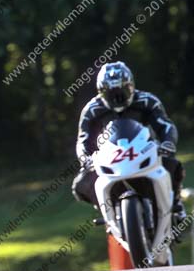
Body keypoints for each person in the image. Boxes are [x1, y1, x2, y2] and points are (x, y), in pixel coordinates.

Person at [72, 61, 187, 227]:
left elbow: (166, 125)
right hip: (109, 157)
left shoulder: (147, 101)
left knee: (172, 164)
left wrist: (168, 143)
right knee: (80, 184)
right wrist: (86, 158)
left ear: (131, 85)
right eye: (111, 93)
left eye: (121, 91)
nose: (117, 98)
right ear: (101, 92)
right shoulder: (92, 109)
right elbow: (83, 139)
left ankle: (176, 203)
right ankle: (106, 210)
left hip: (144, 150)